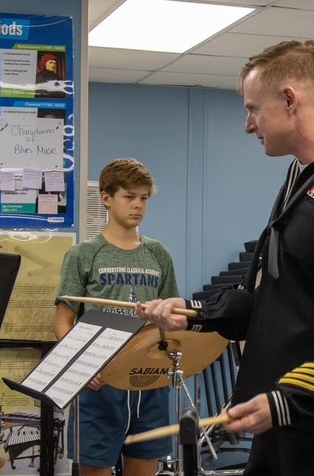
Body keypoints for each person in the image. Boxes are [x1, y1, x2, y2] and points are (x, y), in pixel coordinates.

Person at [138, 40, 314, 476]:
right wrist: (194, 313)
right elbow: (274, 299)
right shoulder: (304, 178)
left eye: (253, 108)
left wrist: (290, 400)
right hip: (283, 416)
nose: (249, 125)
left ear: (289, 100)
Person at [54, 158, 180, 476]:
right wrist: (82, 365)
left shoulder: (159, 254)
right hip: (100, 384)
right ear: (107, 198)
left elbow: (170, 318)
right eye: (129, 196)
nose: (138, 205)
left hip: (148, 380)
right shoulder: (83, 254)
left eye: (144, 198)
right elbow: (63, 322)